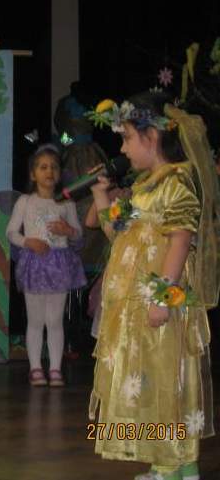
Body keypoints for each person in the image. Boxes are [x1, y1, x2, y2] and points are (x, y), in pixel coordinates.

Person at [88, 92, 219, 480]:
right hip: (136, 304)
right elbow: (115, 231)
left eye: (127, 138)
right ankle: (177, 464)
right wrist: (100, 195)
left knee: (165, 374)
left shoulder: (176, 181)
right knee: (150, 375)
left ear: (152, 136)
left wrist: (163, 298)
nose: (123, 149)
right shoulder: (145, 186)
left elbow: (180, 239)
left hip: (160, 299)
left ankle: (170, 466)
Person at [6, 144, 86, 387]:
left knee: (54, 320)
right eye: (43, 167)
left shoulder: (66, 203)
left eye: (53, 167)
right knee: (35, 320)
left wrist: (68, 230)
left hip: (59, 265)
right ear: (33, 174)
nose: (49, 171)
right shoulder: (25, 201)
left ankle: (55, 368)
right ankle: (35, 368)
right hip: (35, 264)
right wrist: (28, 241)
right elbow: (11, 232)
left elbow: (78, 235)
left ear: (59, 174)